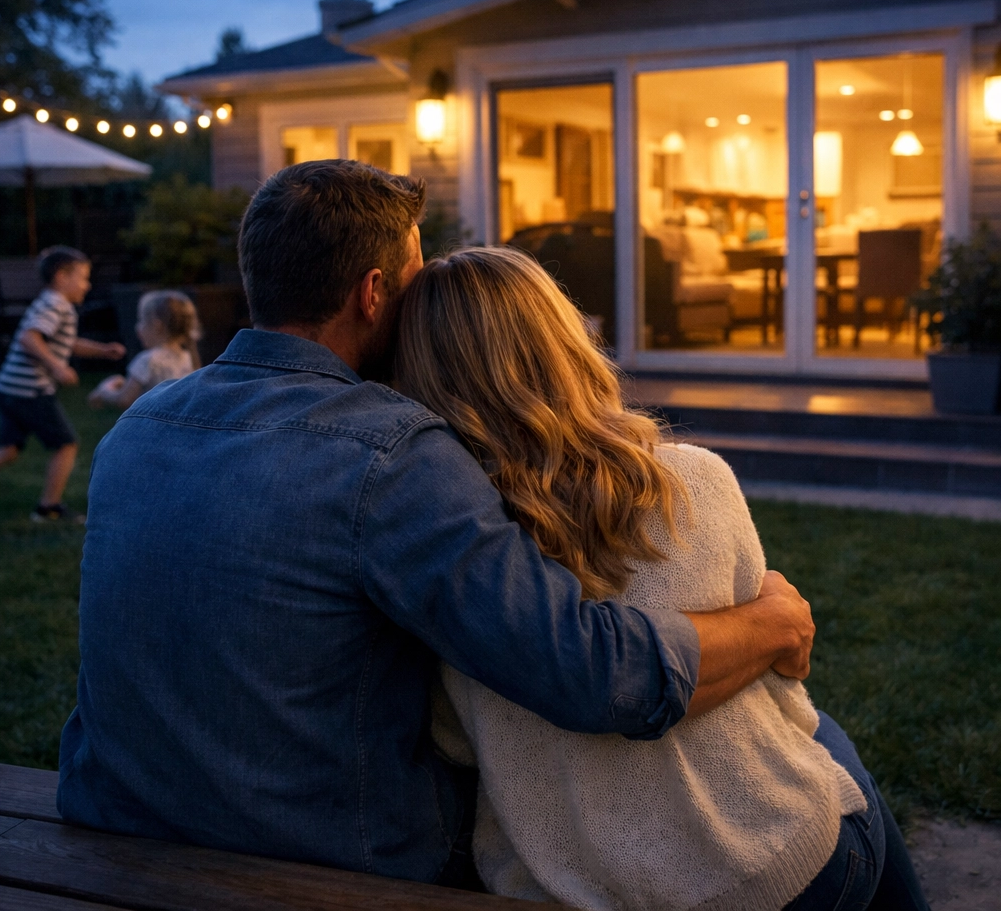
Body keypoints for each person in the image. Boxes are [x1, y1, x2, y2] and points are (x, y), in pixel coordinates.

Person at [58, 161, 815, 886]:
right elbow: (584, 673)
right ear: (374, 291)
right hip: (325, 856)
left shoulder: (139, 427)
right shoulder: (386, 451)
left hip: (121, 820)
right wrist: (770, 624)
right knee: (820, 758)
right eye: (418, 284)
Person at [395, 246, 928, 911]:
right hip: (768, 874)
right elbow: (784, 684)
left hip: (566, 888)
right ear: (565, 341)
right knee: (823, 745)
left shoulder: (442, 550)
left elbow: (453, 739)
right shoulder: (694, 483)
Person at [0, 246, 125, 523]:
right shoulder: (56, 304)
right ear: (61, 277)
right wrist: (57, 367)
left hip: (9, 388)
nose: (87, 284)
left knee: (7, 450)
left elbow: (68, 343)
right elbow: (30, 338)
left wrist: (103, 350)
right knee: (66, 444)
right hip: (29, 390)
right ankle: (49, 507)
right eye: (82, 277)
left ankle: (48, 506)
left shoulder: (49, 302)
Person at [88, 290, 200, 411]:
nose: (138, 327)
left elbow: (124, 399)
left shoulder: (148, 360)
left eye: (141, 321)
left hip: (152, 425)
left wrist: (104, 391)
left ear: (158, 326)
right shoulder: (188, 358)